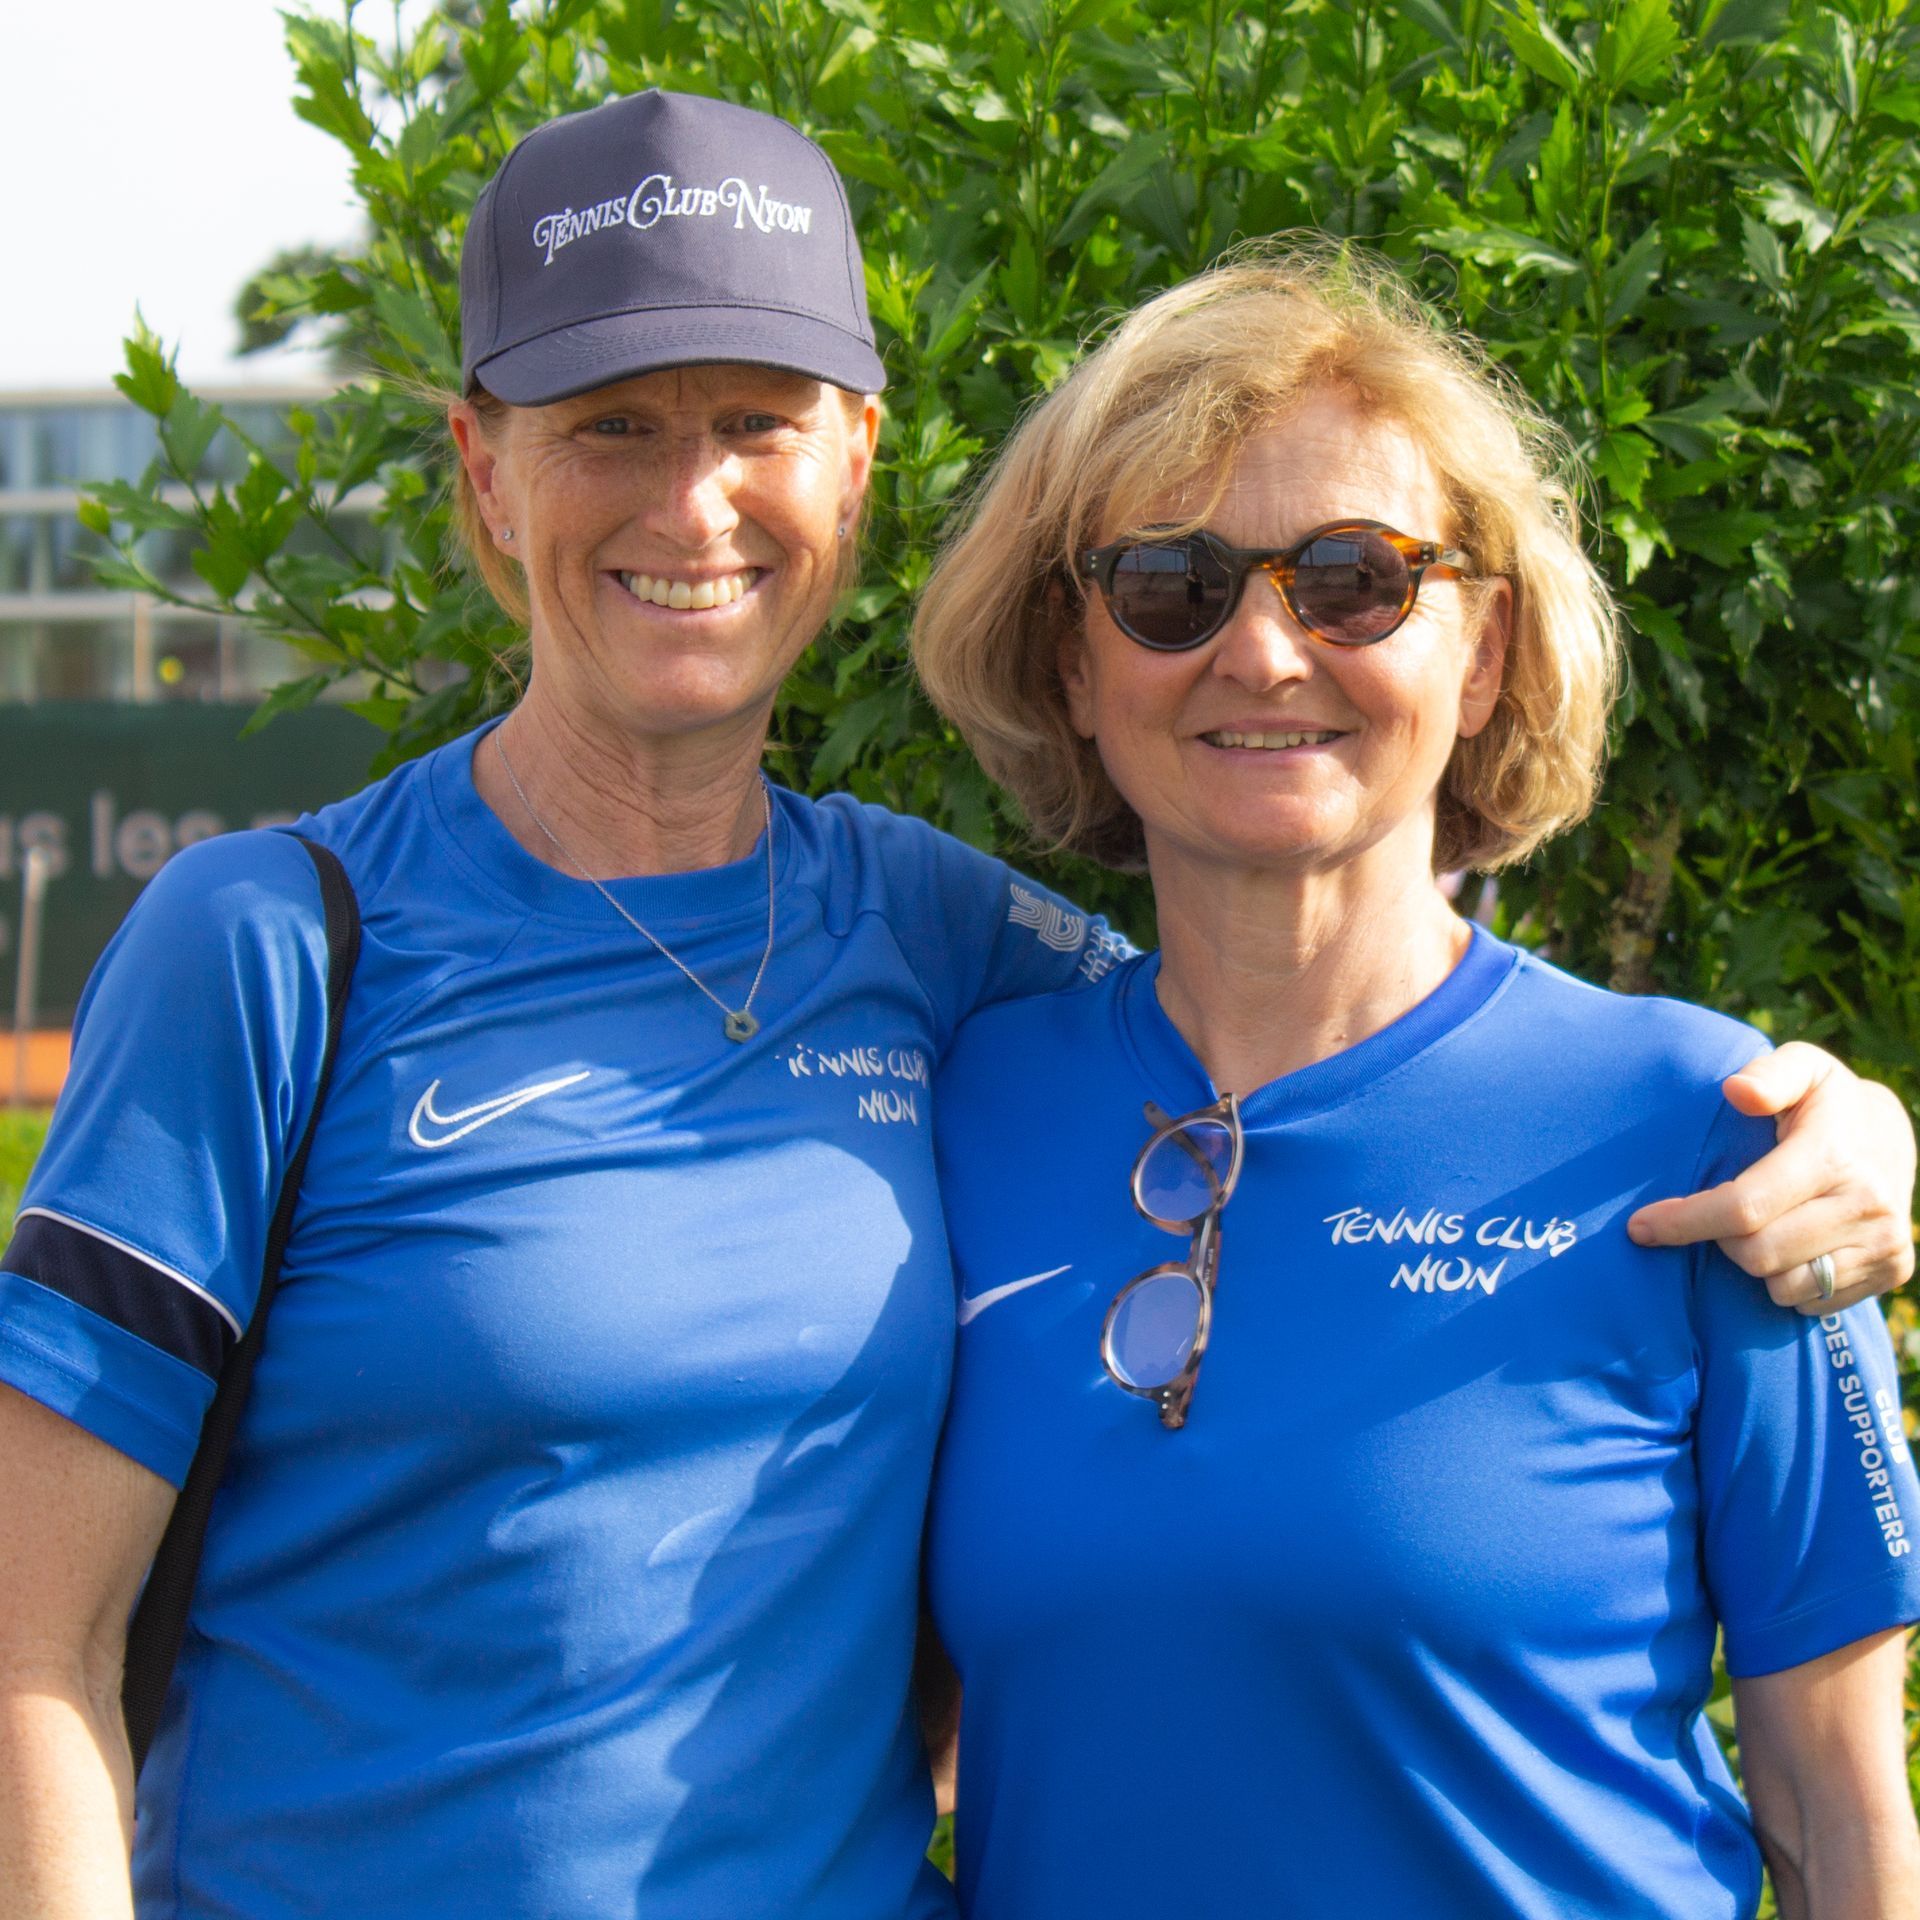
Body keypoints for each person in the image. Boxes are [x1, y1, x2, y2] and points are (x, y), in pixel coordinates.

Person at [0, 96, 1907, 1920]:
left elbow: (1318, 1005)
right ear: (483, 466)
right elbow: (34, 1645)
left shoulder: (942, 949)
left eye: (758, 418)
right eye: (609, 425)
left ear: (855, 462)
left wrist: (1843, 1123)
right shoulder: (275, 944)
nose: (695, 496)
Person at [912, 247, 1920, 1919]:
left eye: (1354, 580)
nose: (1261, 649)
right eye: (1170, 585)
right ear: (1076, 668)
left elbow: (1839, 1816)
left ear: (1482, 652)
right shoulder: (962, 1114)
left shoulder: (1716, 1138)